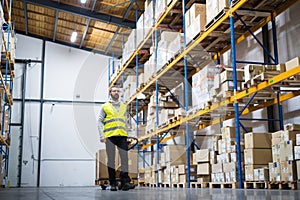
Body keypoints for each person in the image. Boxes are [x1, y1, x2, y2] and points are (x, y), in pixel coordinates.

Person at [98, 86, 135, 191]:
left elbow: (126, 122)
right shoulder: (105, 106)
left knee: (124, 159)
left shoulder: (123, 106)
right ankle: (113, 183)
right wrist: (101, 135)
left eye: (118, 91)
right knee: (111, 161)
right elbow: (100, 121)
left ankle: (125, 183)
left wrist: (128, 134)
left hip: (122, 136)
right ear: (110, 93)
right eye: (114, 91)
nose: (116, 92)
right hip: (110, 136)